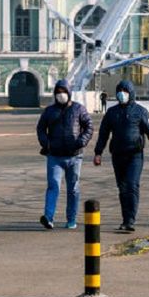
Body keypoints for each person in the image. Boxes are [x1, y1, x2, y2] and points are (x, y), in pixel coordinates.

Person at [93, 80, 149, 233]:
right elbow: (103, 134)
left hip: (135, 155)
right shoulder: (112, 113)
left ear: (131, 93)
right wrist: (98, 153)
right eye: (119, 91)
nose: (122, 94)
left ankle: (130, 220)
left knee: (132, 186)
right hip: (118, 155)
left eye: (125, 91)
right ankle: (125, 220)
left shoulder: (140, 111)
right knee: (122, 188)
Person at [36, 79, 93, 230]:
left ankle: (71, 219)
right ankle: (48, 218)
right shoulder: (49, 111)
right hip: (54, 156)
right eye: (58, 92)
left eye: (63, 92)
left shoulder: (79, 109)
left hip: (75, 156)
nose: (61, 95)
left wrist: (81, 141)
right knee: (53, 186)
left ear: (69, 93)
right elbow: (41, 129)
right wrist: (46, 144)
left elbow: (89, 126)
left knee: (73, 188)